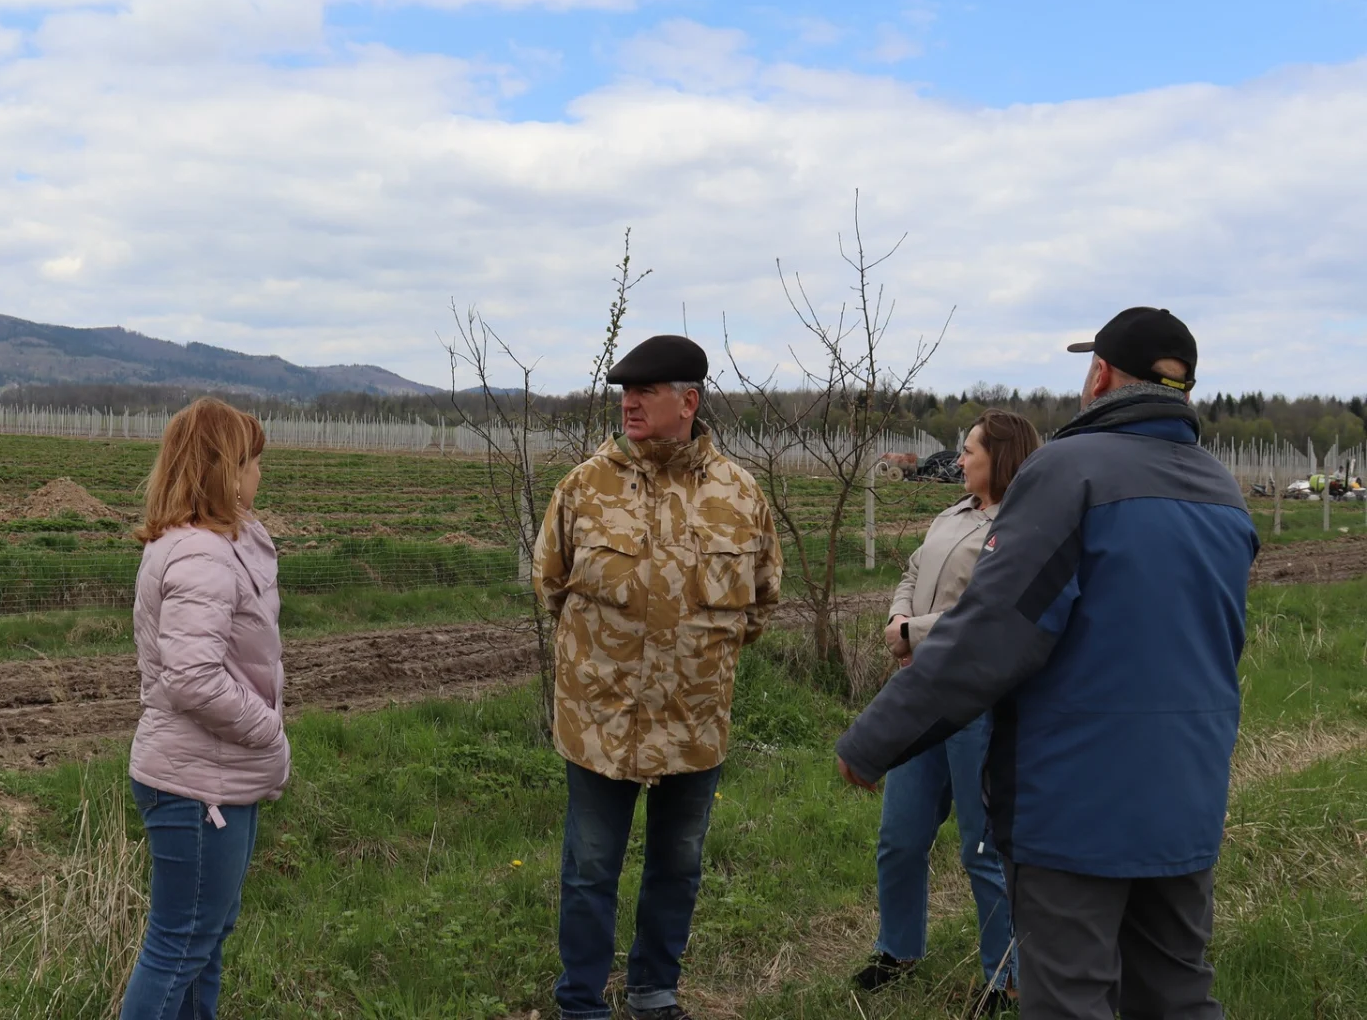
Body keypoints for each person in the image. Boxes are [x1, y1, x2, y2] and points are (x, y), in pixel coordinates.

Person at [835, 308, 1257, 1020]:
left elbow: (991, 634)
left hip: (1074, 807)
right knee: (1176, 995)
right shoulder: (1221, 489)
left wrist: (876, 741)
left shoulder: (1069, 471)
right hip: (1187, 797)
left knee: (1070, 997)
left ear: (1099, 376)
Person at [533, 334, 782, 1020]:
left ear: (688, 401)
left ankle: (653, 992)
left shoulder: (739, 494)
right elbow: (551, 583)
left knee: (678, 865)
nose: (630, 403)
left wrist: (691, 662)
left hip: (694, 722)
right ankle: (580, 1002)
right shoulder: (585, 487)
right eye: (624, 393)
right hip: (601, 720)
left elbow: (760, 601)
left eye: (646, 392)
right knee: (589, 871)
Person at [854, 409, 1041, 1014]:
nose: (959, 461)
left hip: (974, 705)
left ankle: (1003, 979)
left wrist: (914, 632)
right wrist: (896, 617)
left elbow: (990, 612)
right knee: (900, 836)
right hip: (921, 698)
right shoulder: (952, 514)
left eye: (970, 452)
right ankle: (898, 949)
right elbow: (912, 569)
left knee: (980, 846)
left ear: (1002, 457)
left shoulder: (1018, 527)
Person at [120, 397, 288, 1020]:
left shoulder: (214, 546)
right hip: (195, 787)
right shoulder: (201, 557)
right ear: (222, 467)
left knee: (202, 943)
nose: (258, 474)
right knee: (178, 948)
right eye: (250, 461)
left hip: (212, 776)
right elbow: (192, 678)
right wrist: (267, 729)